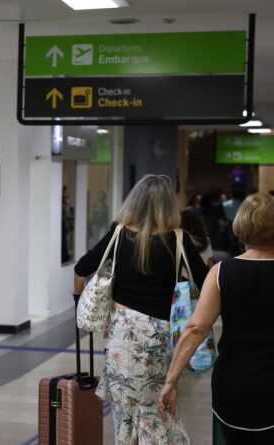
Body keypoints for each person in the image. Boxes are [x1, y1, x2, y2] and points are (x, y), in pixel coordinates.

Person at [74, 174, 208, 444]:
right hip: (161, 335)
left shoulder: (119, 232)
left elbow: (82, 268)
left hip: (121, 333)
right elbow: (206, 282)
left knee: (125, 408)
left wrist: (77, 298)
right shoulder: (179, 239)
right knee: (156, 402)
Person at [159, 193, 274, 444]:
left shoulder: (222, 272)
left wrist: (171, 380)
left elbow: (195, 329)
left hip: (233, 384)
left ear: (241, 226)